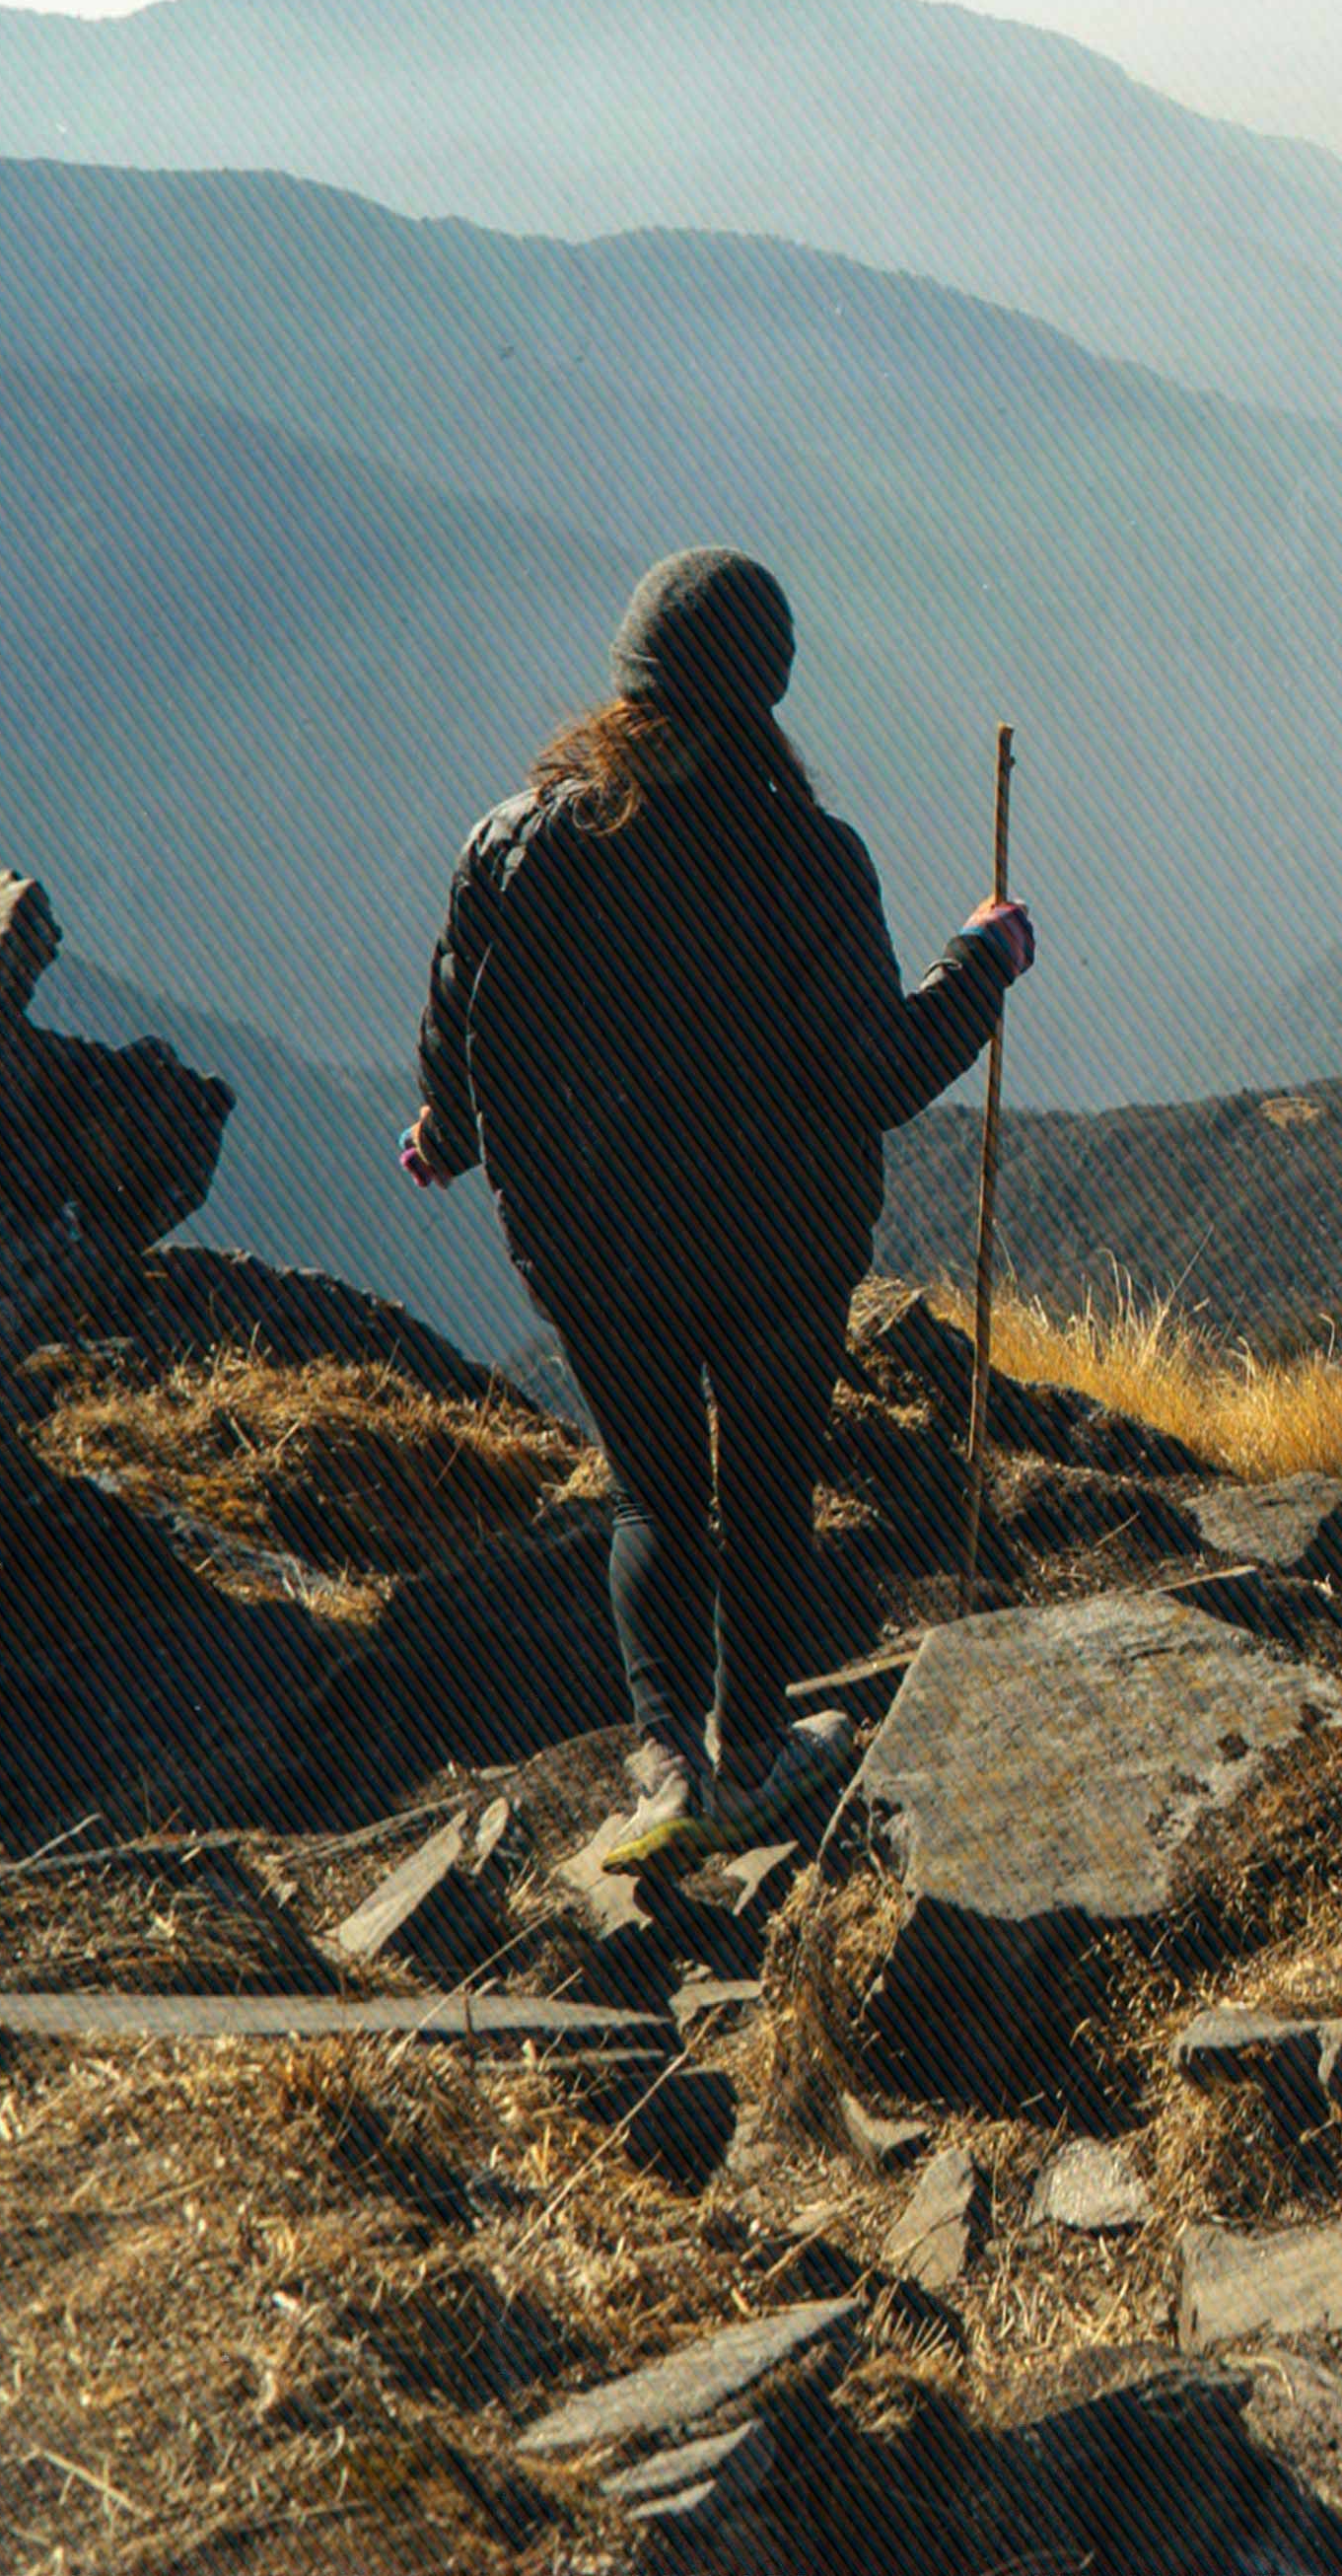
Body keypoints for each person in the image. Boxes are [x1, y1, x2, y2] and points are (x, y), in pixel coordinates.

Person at [406, 547, 1035, 1872]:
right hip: (777, 1253)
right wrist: (980, 964)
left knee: (649, 1499)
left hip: (595, 1249)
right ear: (770, 687)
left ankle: (661, 1758)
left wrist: (447, 1137)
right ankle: (752, 1758)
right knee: (760, 1498)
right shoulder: (804, 859)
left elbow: (467, 1020)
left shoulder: (512, 847)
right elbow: (874, 1073)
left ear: (629, 677)